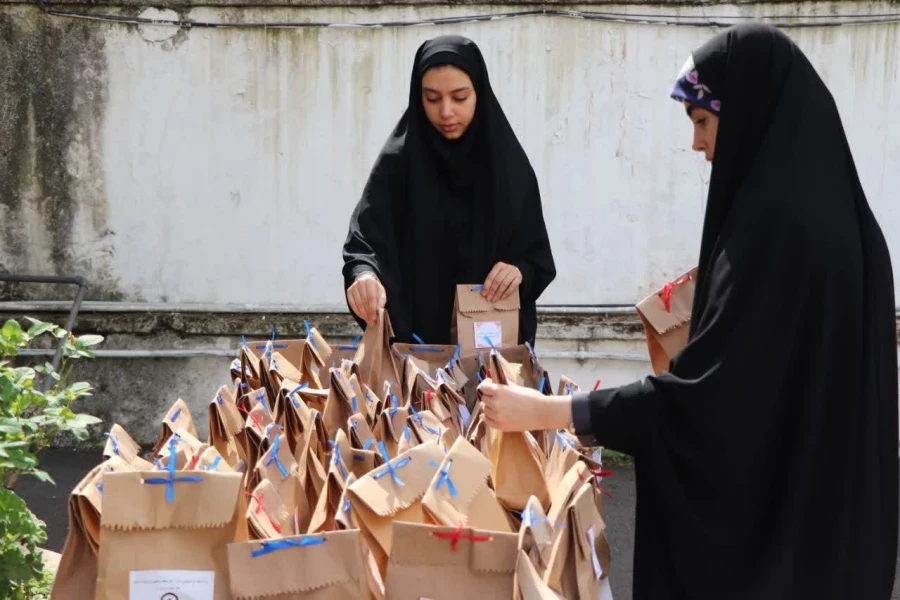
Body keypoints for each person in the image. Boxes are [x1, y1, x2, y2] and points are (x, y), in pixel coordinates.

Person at [479, 23, 898, 599]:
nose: (697, 144)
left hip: (773, 549)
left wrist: (550, 411)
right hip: (827, 537)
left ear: (748, 112)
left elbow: (707, 406)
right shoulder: (843, 223)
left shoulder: (773, 233)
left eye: (702, 121)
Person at [341, 35, 556, 345]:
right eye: (431, 98)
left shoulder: (507, 168)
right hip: (412, 358)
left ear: (479, 93)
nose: (445, 112)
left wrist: (518, 271)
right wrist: (364, 277)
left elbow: (535, 256)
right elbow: (364, 244)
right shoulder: (397, 164)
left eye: (459, 97)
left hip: (490, 352)